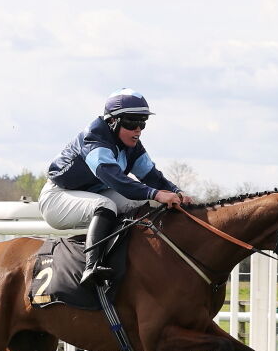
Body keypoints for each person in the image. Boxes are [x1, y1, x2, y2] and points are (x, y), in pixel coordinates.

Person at [41, 88, 191, 287]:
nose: (137, 129)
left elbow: (152, 177)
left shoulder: (131, 145)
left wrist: (176, 191)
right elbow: (116, 180)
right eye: (131, 122)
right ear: (112, 121)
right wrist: (156, 194)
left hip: (92, 192)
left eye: (142, 123)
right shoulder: (94, 139)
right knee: (106, 206)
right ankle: (91, 267)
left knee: (140, 202)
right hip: (57, 197)